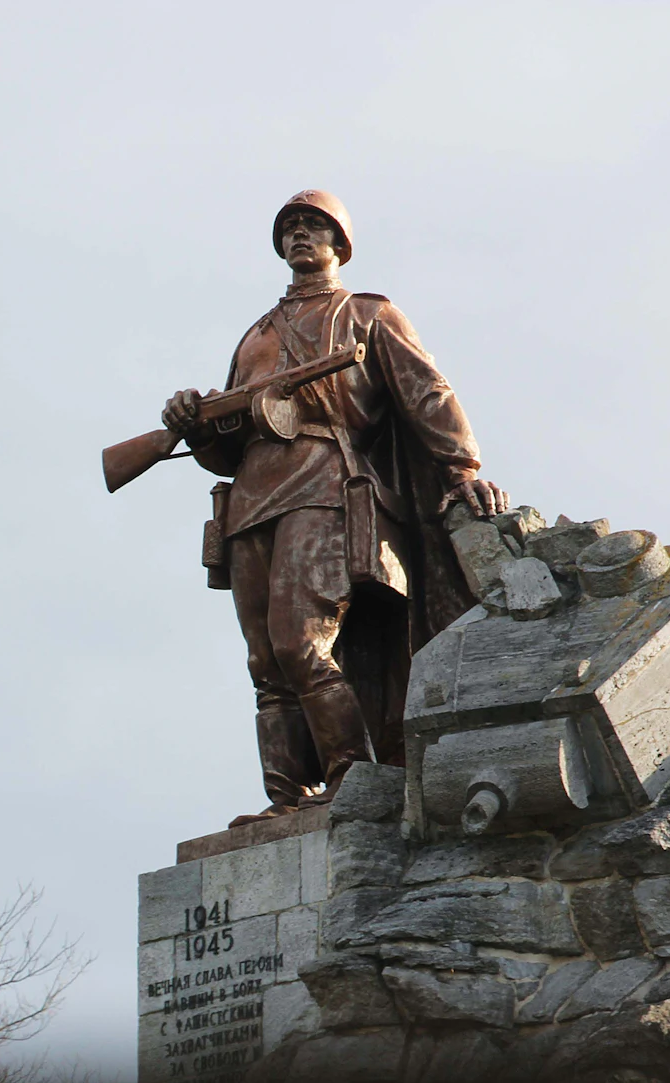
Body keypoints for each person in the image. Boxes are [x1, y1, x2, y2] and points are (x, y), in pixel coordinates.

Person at [163, 190, 508, 826]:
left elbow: (427, 393)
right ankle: (287, 800)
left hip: (324, 485)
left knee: (300, 643)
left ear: (339, 244)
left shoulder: (369, 314)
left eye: (313, 226)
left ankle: (354, 781)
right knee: (266, 663)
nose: (300, 235)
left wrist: (461, 467)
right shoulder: (257, 335)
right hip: (250, 501)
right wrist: (195, 424)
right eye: (290, 227)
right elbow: (232, 444)